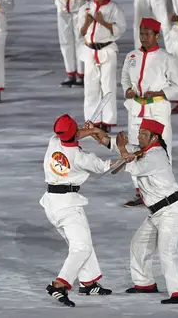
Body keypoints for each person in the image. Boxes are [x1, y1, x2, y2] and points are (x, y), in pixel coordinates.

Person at [90, 119, 178, 304]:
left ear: (155, 138)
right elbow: (111, 143)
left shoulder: (156, 156)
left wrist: (122, 149)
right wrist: (94, 131)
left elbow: (132, 166)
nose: (139, 136)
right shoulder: (143, 150)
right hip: (156, 213)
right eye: (139, 133)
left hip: (171, 212)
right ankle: (145, 284)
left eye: (144, 134)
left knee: (167, 251)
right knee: (139, 244)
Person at [41, 114, 122, 307]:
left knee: (82, 241)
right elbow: (108, 168)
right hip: (68, 206)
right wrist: (126, 157)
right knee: (82, 247)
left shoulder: (53, 142)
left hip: (52, 203)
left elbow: (74, 136)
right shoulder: (81, 158)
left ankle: (88, 282)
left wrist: (91, 131)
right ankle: (58, 285)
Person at [121, 18, 178, 207]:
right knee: (135, 148)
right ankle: (140, 191)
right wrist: (127, 90)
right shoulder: (132, 56)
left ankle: (162, 192)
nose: (143, 37)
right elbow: (124, 78)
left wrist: (159, 92)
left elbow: (177, 86)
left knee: (160, 150)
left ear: (157, 35)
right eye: (141, 33)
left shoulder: (166, 58)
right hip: (137, 109)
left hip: (157, 110)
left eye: (147, 34)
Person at [78, 0, 125, 131]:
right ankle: (92, 120)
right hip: (90, 51)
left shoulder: (114, 8)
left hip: (107, 50)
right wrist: (86, 23)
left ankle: (108, 121)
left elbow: (120, 30)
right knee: (90, 87)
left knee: (108, 86)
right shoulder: (85, 8)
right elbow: (81, 32)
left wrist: (102, 22)